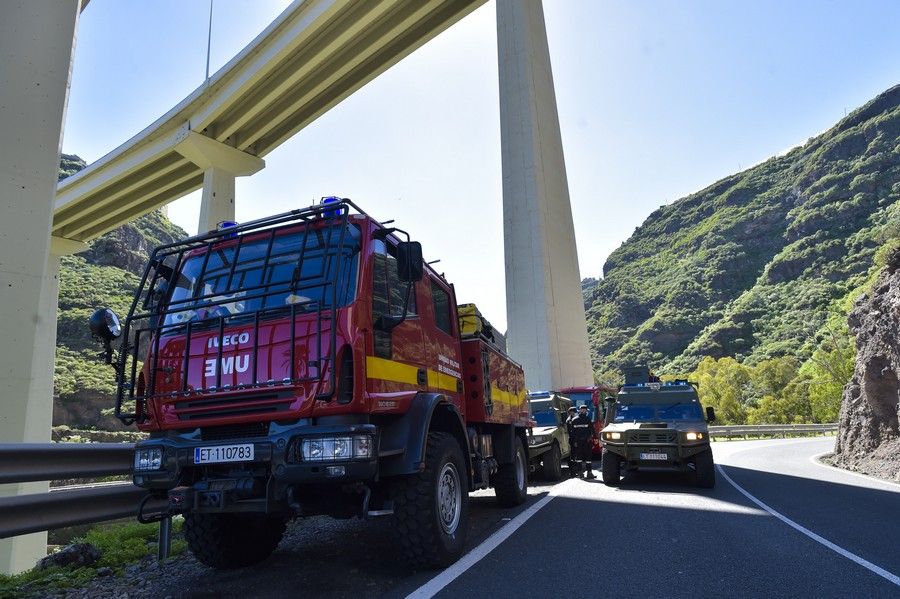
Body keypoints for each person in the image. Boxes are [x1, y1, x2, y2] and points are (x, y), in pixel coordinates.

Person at [570, 404, 596, 478]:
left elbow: (572, 433)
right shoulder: (588, 419)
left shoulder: (574, 420)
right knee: (588, 457)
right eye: (583, 410)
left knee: (579, 457)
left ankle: (580, 473)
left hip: (578, 442)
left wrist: (574, 442)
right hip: (586, 441)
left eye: (584, 410)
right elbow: (592, 430)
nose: (584, 411)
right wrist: (594, 438)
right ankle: (589, 473)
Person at [565, 406, 578, 476]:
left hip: (573, 439)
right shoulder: (570, 420)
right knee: (573, 456)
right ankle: (573, 471)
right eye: (574, 412)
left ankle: (574, 471)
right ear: (571, 412)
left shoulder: (571, 419)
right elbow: (572, 432)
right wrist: (575, 441)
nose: (576, 413)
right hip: (573, 440)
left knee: (574, 456)